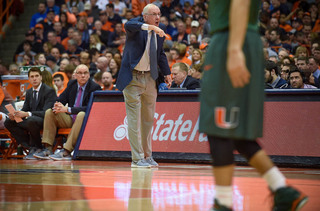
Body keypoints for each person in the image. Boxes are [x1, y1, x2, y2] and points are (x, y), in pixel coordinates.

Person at [199, 1, 308, 211]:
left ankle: (223, 203)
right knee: (236, 132)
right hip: (235, 40)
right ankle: (283, 191)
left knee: (218, 126)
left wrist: (233, 50)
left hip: (232, 41)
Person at [116, 4, 172, 168]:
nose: (157, 17)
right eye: (154, 14)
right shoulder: (136, 25)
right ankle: (137, 158)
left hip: (150, 78)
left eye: (159, 14)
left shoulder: (161, 28)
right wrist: (151, 28)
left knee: (148, 121)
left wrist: (167, 73)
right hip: (132, 79)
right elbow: (128, 25)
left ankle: (148, 156)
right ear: (145, 16)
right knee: (134, 121)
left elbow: (160, 53)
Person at [33, 64, 101, 160]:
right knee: (50, 112)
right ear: (76, 75)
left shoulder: (95, 87)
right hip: (70, 119)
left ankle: (67, 151)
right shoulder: (72, 84)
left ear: (89, 75)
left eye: (85, 73)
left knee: (81, 114)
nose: (83, 76)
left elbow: (91, 108)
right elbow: (61, 99)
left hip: (87, 121)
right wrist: (57, 105)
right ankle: (47, 148)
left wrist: (68, 110)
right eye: (80, 73)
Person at [4, 67, 56, 160]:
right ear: (29, 79)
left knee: (31, 120)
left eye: (36, 76)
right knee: (8, 122)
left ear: (41, 77)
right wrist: (16, 115)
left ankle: (39, 147)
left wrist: (27, 114)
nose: (34, 78)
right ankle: (29, 146)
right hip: (30, 120)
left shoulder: (49, 91)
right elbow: (25, 109)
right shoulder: (29, 92)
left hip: (45, 120)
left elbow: (46, 112)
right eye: (32, 76)